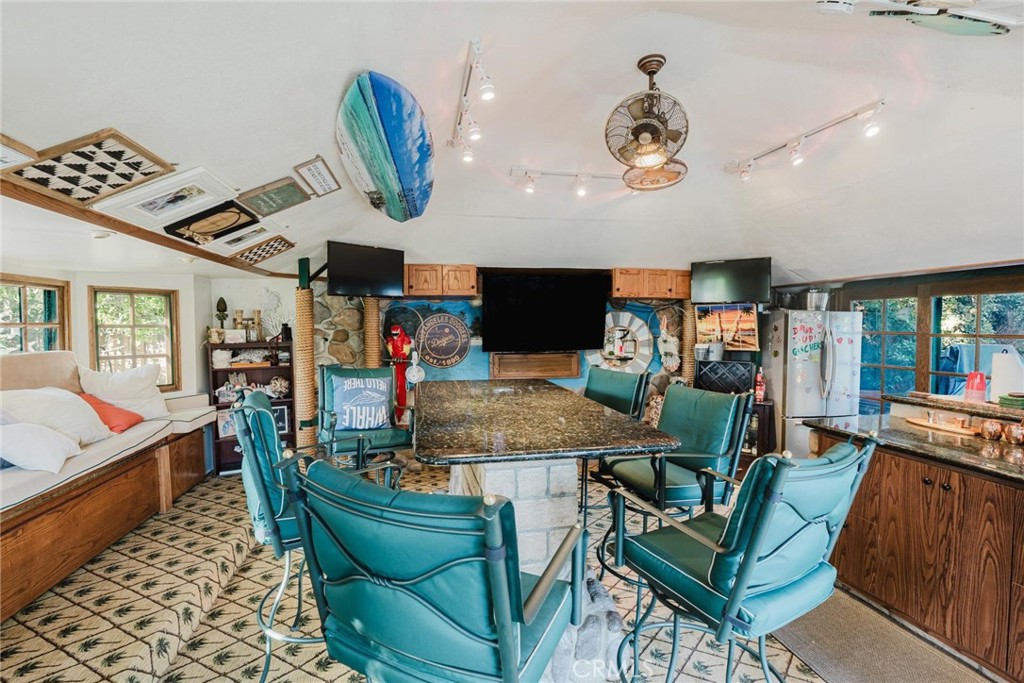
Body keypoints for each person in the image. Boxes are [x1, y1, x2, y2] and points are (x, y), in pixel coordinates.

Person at [385, 324, 413, 422]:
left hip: (402, 364)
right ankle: (393, 411)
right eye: (393, 334)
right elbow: (391, 351)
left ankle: (400, 410)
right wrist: (394, 355)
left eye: (396, 334)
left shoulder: (405, 339)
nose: (395, 336)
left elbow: (406, 350)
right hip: (394, 362)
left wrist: (401, 355)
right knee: (393, 385)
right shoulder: (390, 340)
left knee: (401, 385)